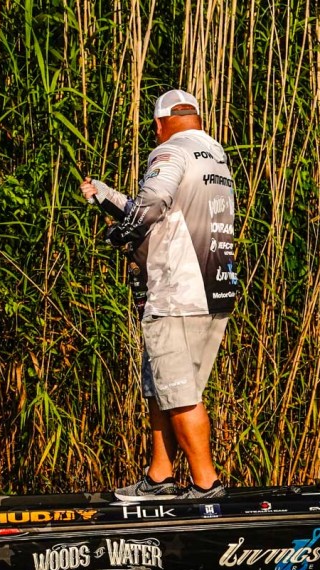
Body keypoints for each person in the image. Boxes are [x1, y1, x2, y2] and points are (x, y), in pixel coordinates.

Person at [80, 89, 238, 501]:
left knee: (179, 394)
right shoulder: (215, 156)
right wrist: (107, 196)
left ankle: (206, 486)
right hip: (214, 289)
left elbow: (151, 203)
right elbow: (167, 213)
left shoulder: (168, 151)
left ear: (159, 124)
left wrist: (119, 234)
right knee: (163, 388)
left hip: (177, 293)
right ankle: (159, 476)